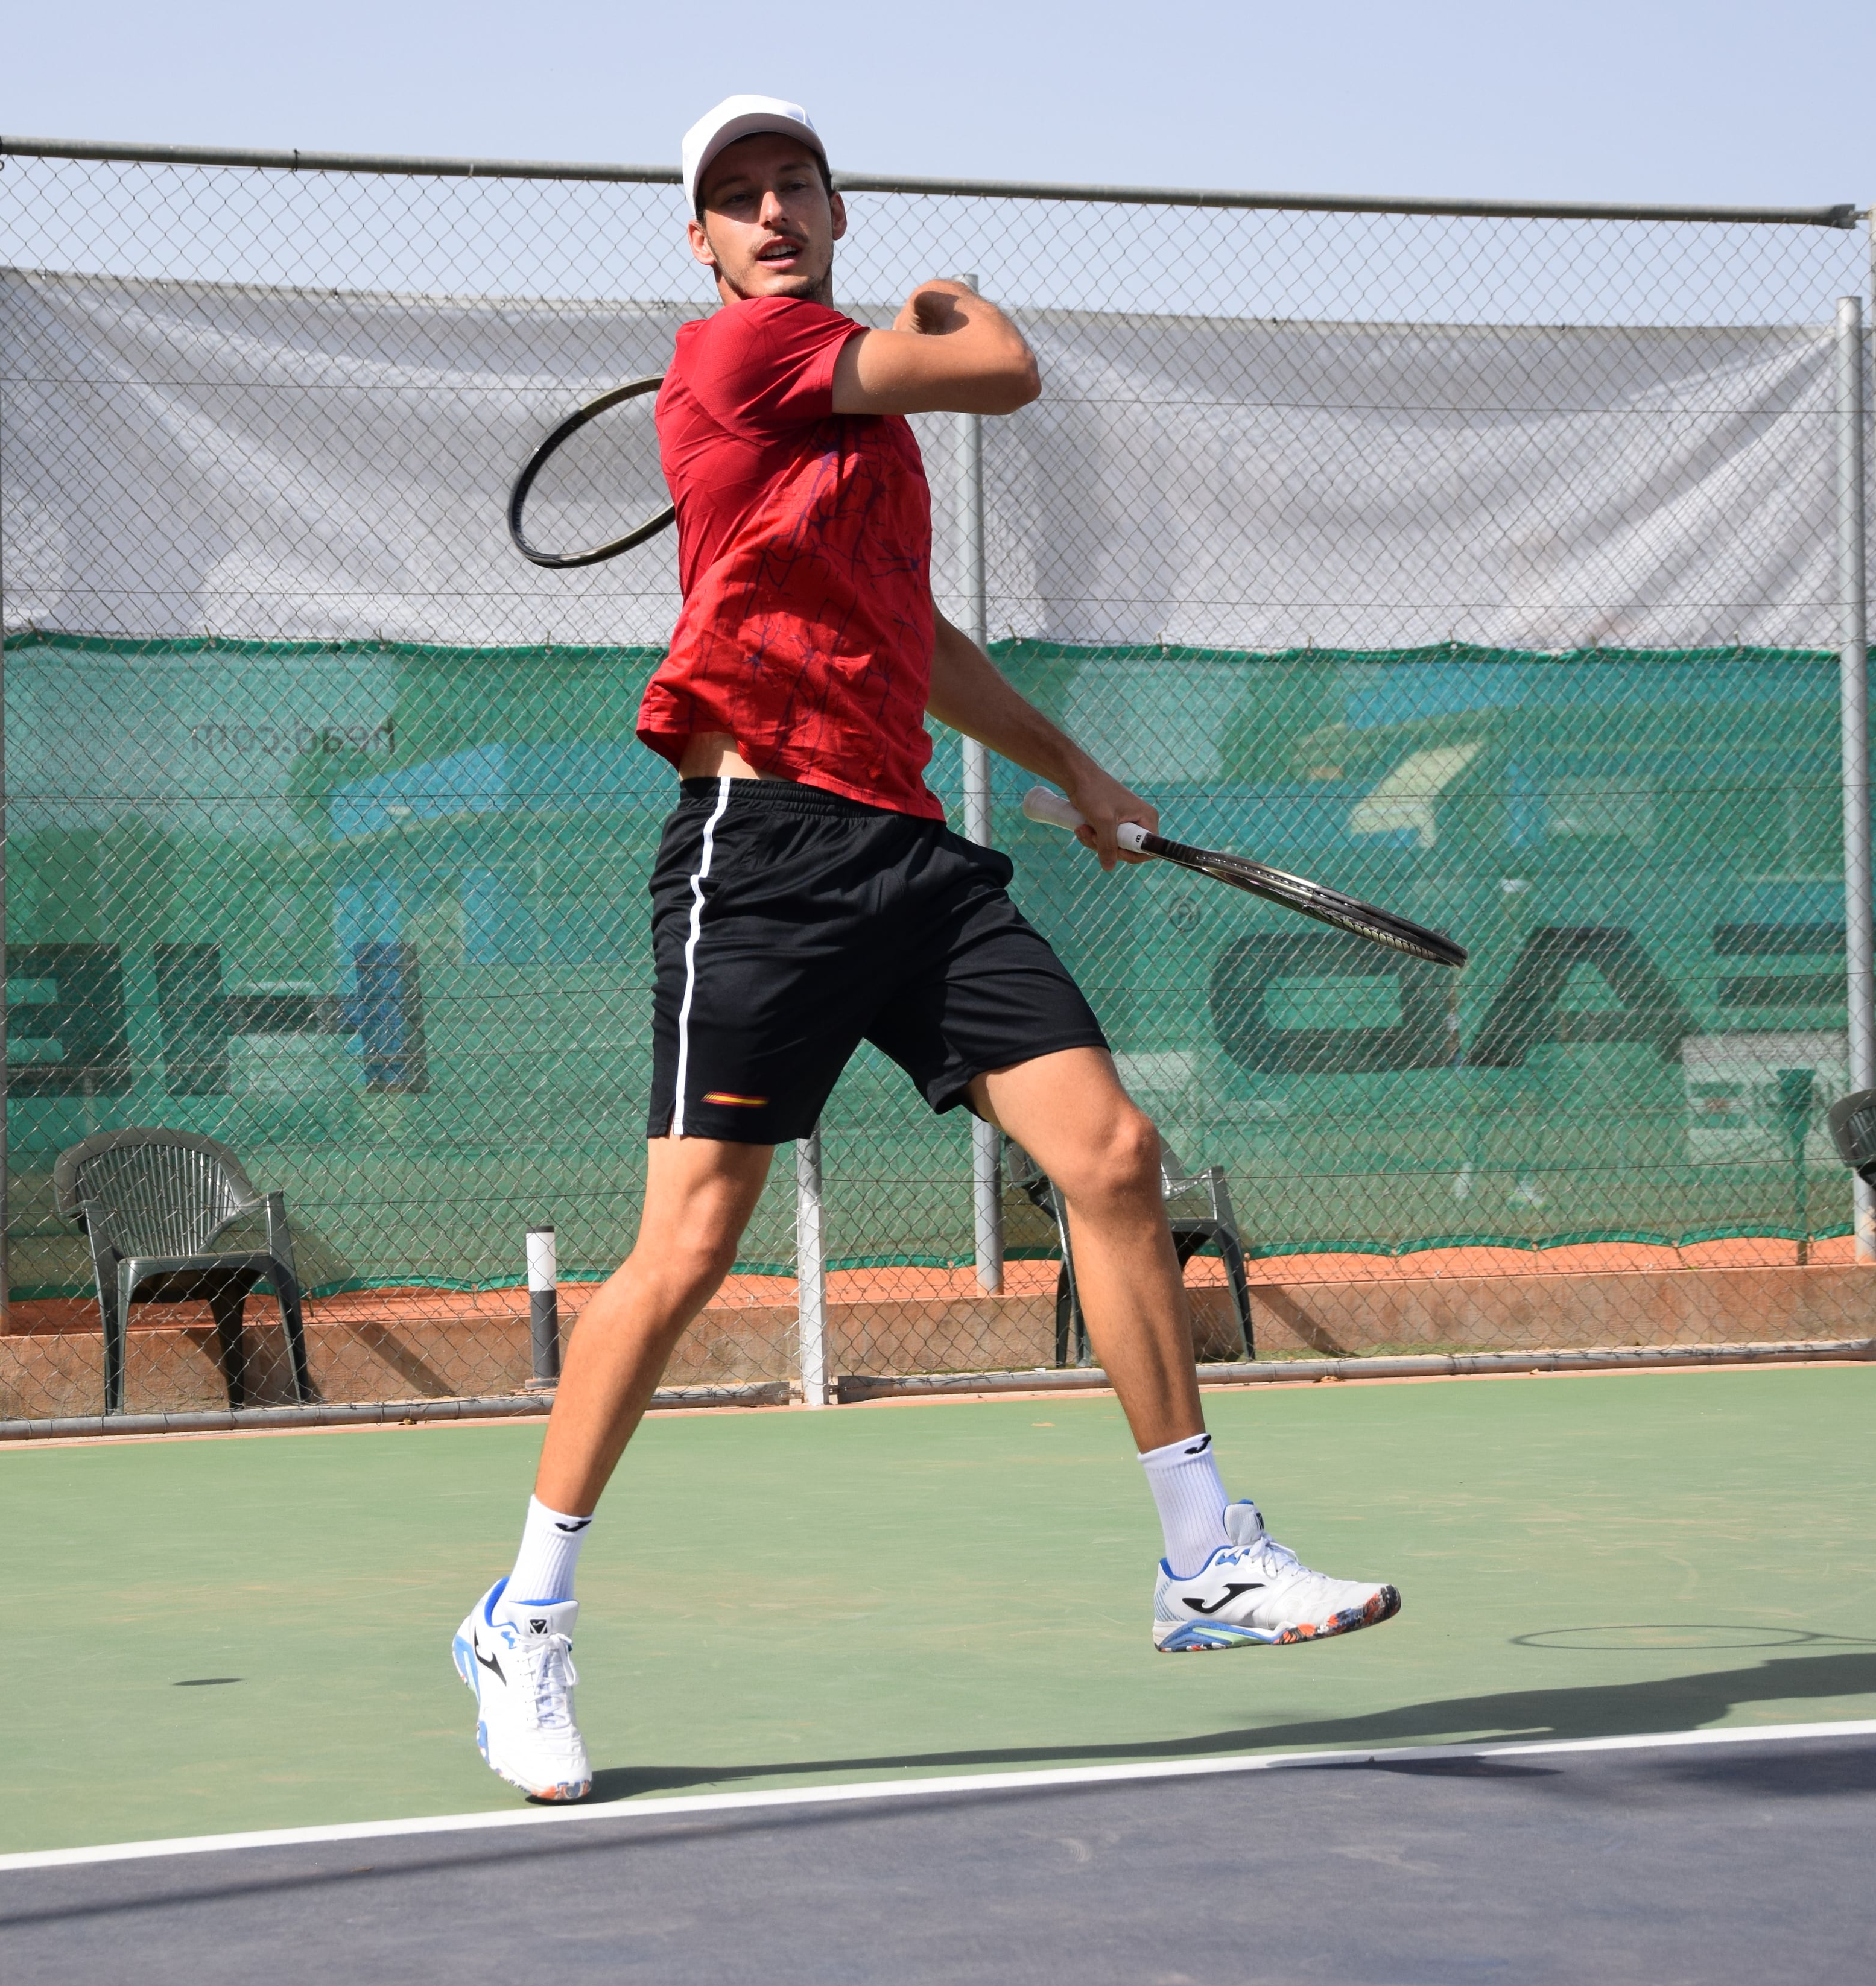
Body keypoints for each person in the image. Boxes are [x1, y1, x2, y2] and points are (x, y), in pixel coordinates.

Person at [452, 94, 1401, 1803]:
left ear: (833, 201)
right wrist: (950, 289)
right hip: (762, 855)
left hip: (908, 853)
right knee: (683, 1254)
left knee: (1112, 1156)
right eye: (735, 198)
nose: (770, 213)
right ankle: (524, 1619)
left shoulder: (861, 429)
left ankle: (1204, 1557)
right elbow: (1008, 367)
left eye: (794, 184)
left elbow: (913, 635)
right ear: (704, 243)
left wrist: (1071, 768)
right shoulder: (740, 356)